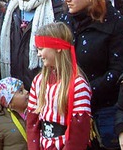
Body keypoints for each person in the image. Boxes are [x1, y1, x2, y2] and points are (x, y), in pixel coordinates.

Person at [58, 0, 123, 149]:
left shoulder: (116, 23)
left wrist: (84, 92)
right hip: (70, 108)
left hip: (105, 109)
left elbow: (120, 70)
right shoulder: (64, 21)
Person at [26, 22, 92, 150]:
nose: (38, 54)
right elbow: (32, 122)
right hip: (43, 144)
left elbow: (78, 130)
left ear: (57, 47)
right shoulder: (38, 81)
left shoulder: (78, 85)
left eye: (41, 49)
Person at [0, 77, 28, 150]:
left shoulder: (34, 114)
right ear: (9, 102)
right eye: (21, 91)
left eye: (24, 89)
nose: (26, 91)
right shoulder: (0, 124)